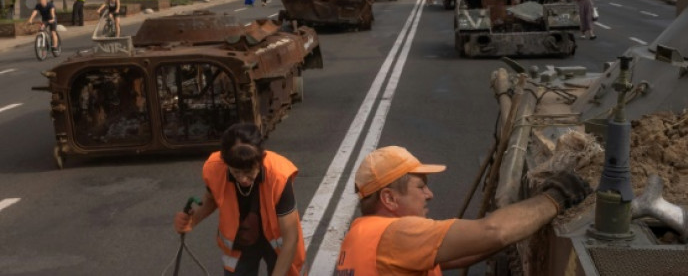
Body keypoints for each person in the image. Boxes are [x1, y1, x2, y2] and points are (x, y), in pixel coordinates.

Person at [334, 146, 591, 275]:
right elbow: (493, 230)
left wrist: (516, 234)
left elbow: (455, 257)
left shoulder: (361, 234)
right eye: (420, 187)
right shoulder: (397, 234)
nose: (429, 195)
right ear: (389, 198)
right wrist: (555, 197)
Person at [174, 123, 305, 276]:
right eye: (236, 172)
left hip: (277, 244)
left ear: (261, 159)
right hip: (242, 240)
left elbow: (290, 238)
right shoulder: (215, 168)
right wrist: (191, 220)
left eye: (249, 172)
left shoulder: (279, 175)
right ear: (225, 162)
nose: (243, 179)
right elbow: (211, 199)